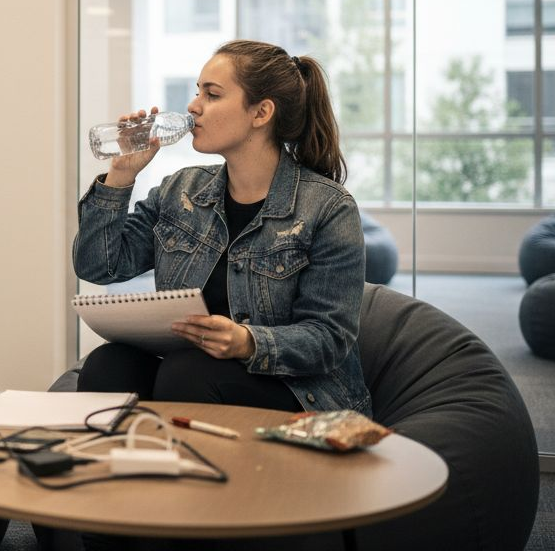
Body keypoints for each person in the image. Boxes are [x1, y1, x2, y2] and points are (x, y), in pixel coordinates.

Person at [72, 39, 371, 417]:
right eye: (198, 92)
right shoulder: (181, 190)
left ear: (261, 112)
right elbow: (99, 266)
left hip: (298, 391)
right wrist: (120, 176)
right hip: (191, 369)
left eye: (212, 95)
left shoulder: (327, 208)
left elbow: (328, 339)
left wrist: (247, 342)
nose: (193, 106)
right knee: (108, 364)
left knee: (188, 372)